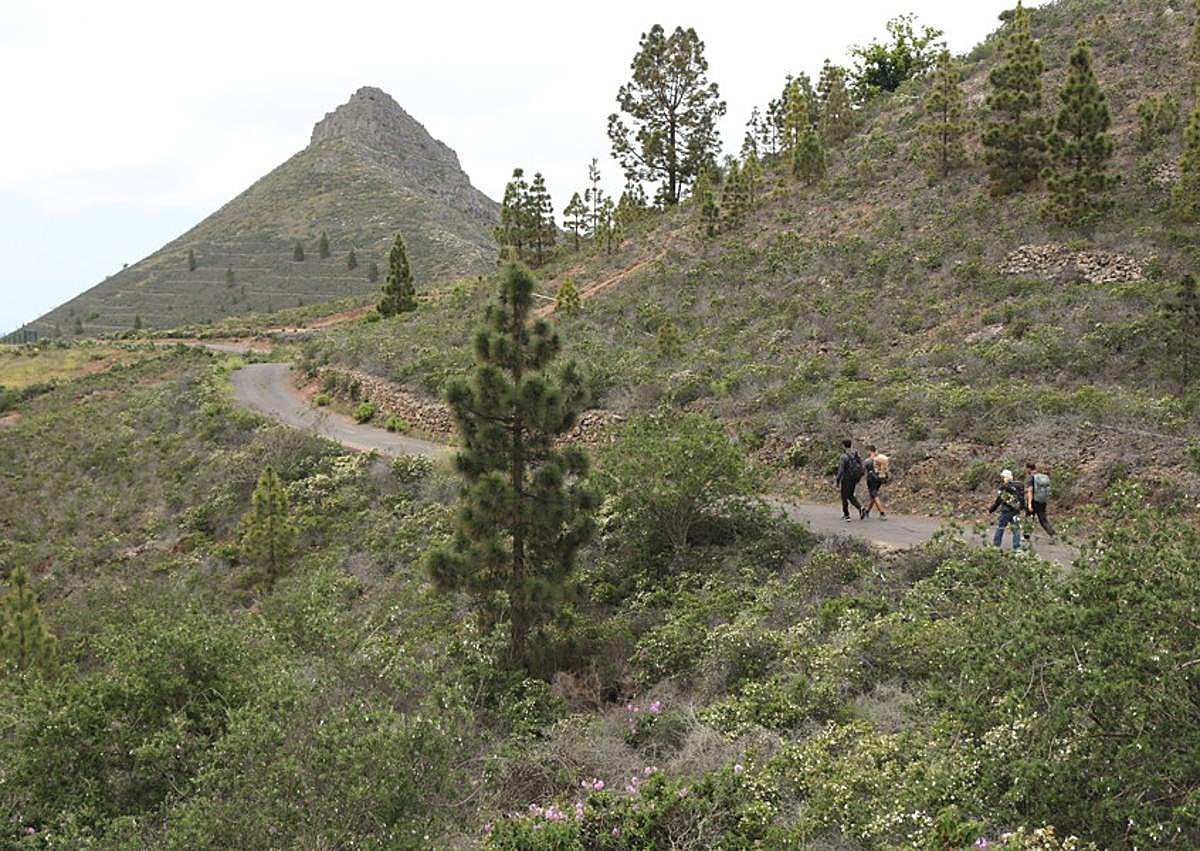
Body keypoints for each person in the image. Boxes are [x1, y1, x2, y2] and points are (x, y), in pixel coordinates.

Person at [987, 469, 1024, 551]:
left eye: (1002, 477)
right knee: (1016, 529)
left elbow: (999, 500)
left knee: (1000, 527)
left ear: (1005, 477)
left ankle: (996, 546)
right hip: (1015, 511)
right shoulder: (1019, 486)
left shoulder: (1004, 487)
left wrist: (991, 509)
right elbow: (1022, 499)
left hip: (1006, 511)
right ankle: (1016, 547)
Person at [1024, 461, 1056, 540]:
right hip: (1042, 501)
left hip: (1033, 501)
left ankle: (1026, 536)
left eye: (1026, 468)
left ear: (1028, 468)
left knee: (1029, 518)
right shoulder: (1042, 476)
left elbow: (1030, 491)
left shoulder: (1031, 477)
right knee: (1043, 519)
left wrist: (1029, 504)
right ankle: (1053, 534)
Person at [836, 438, 865, 521]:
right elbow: (861, 465)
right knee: (850, 495)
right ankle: (860, 507)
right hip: (854, 478)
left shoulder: (843, 456)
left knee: (844, 497)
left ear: (843, 446)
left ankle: (846, 515)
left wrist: (838, 480)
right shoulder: (855, 454)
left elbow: (841, 470)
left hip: (846, 479)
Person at [863, 444, 890, 520]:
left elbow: (862, 469)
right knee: (873, 496)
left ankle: (882, 513)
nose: (866, 453)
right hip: (879, 478)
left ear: (869, 451)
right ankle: (867, 511)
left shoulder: (868, 460)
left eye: (867, 451)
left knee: (874, 495)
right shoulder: (880, 458)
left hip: (871, 479)